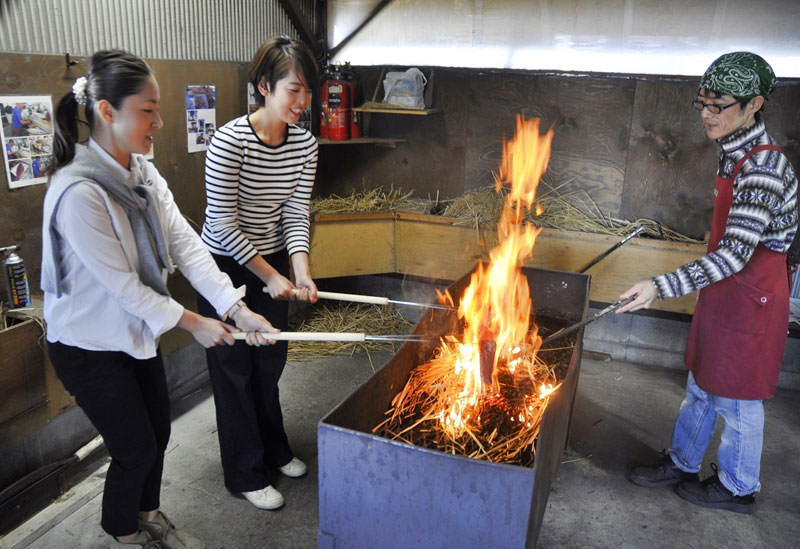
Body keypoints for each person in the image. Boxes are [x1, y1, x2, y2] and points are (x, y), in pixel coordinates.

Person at [41, 50, 278, 548]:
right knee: (134, 447)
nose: (160, 121)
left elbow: (187, 245)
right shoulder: (79, 192)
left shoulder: (142, 173)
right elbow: (124, 287)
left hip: (133, 332)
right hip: (88, 345)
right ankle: (125, 534)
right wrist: (196, 323)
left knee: (158, 435)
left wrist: (234, 308)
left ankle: (146, 516)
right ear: (108, 112)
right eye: (148, 110)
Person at [617, 52, 798, 514]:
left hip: (752, 296)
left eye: (718, 106)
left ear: (754, 104)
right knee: (702, 382)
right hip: (725, 290)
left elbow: (737, 253)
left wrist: (660, 286)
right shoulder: (733, 149)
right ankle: (683, 460)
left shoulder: (762, 169)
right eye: (702, 103)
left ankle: (740, 487)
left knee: (737, 398)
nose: (706, 115)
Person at [197, 36, 319, 511]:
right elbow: (223, 224)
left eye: (308, 91)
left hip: (269, 261)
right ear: (264, 86)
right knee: (233, 371)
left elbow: (295, 213)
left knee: (269, 363)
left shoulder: (305, 144)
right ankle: (244, 473)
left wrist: (301, 272)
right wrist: (268, 276)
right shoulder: (229, 141)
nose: (303, 102)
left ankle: (275, 448)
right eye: (294, 90)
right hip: (225, 266)